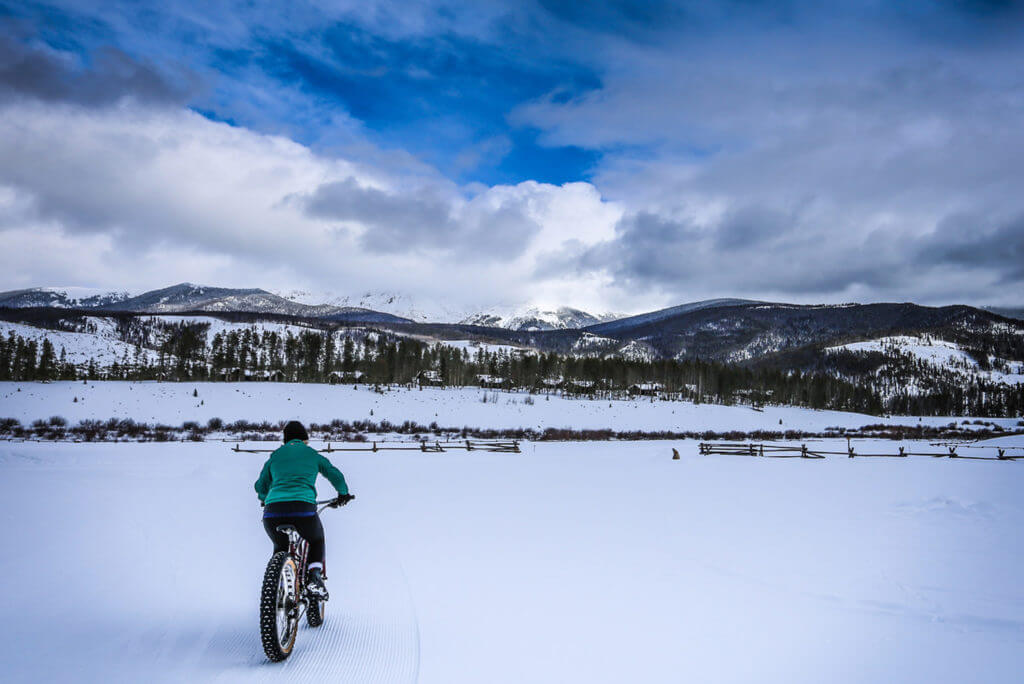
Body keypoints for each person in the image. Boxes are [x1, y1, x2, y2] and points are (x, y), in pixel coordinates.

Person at [254, 420, 352, 599]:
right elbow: (334, 475)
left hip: (272, 512)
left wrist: (264, 499)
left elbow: (261, 485)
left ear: (285, 441)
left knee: (280, 546)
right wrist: (343, 494)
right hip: (303, 510)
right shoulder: (312, 454)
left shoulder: (275, 456)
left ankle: (278, 585)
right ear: (305, 440)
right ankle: (314, 575)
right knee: (316, 539)